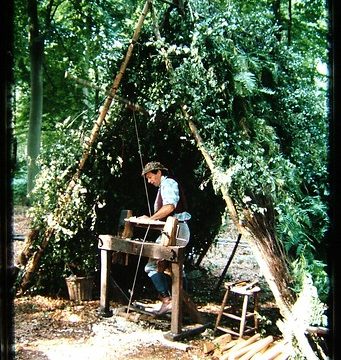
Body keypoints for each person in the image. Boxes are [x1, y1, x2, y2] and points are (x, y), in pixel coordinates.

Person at [139, 161, 191, 315]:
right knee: (175, 268)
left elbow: (170, 206)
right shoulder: (164, 185)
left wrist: (150, 219)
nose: (149, 181)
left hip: (177, 230)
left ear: (159, 173)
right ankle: (182, 306)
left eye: (150, 177)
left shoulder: (168, 184)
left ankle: (168, 301)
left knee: (152, 266)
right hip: (175, 230)